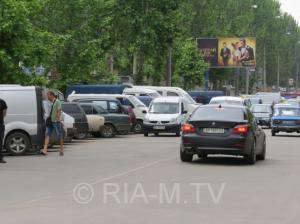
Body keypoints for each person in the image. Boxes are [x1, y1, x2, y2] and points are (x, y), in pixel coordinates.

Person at [41, 91, 64, 156]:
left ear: (52, 95)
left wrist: (57, 119)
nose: (47, 97)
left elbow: (59, 111)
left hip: (56, 121)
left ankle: (61, 150)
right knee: (47, 134)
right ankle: (45, 150)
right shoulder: (48, 103)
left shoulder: (57, 102)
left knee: (59, 135)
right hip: (50, 121)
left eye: (48, 95)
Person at [0, 98, 8, 163]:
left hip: (0, 124)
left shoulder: (2, 102)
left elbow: (4, 112)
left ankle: (0, 158)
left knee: (0, 141)